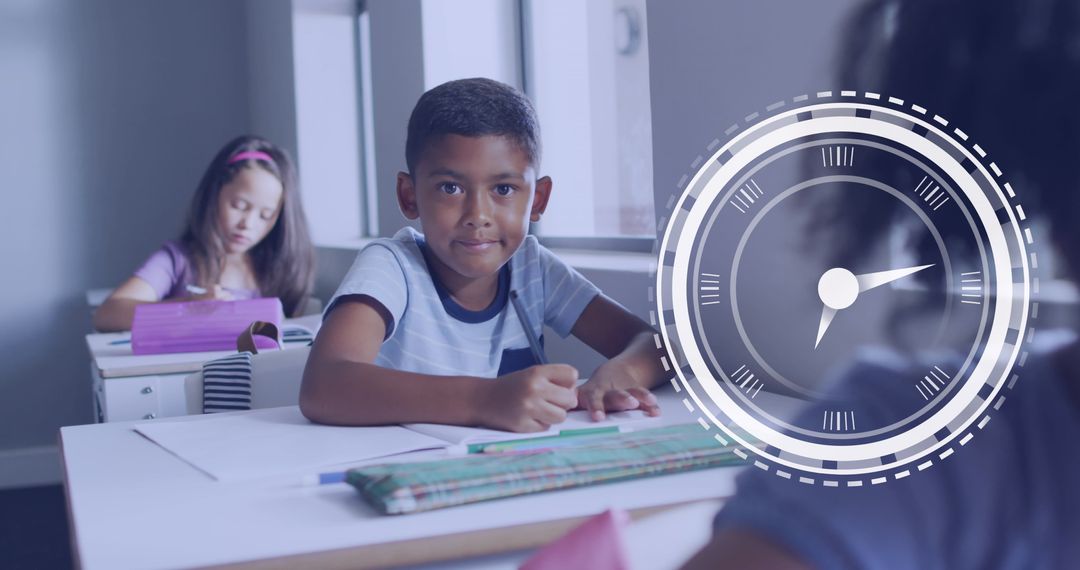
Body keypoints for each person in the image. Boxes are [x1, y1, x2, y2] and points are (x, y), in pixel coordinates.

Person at [684, 0, 1080, 568]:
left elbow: (646, 341)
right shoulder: (922, 461)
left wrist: (626, 367)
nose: (503, 216)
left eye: (509, 190)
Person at [300, 78, 667, 432]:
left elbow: (657, 345)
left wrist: (619, 376)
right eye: (451, 187)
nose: (477, 215)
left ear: (537, 200)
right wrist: (484, 400)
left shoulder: (532, 268)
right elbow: (324, 385)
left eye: (503, 189)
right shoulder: (392, 267)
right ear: (409, 196)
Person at [93, 135, 315, 332]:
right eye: (238, 205)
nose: (248, 224)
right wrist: (188, 307)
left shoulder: (279, 269)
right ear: (214, 194)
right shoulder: (178, 260)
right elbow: (108, 314)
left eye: (266, 215)